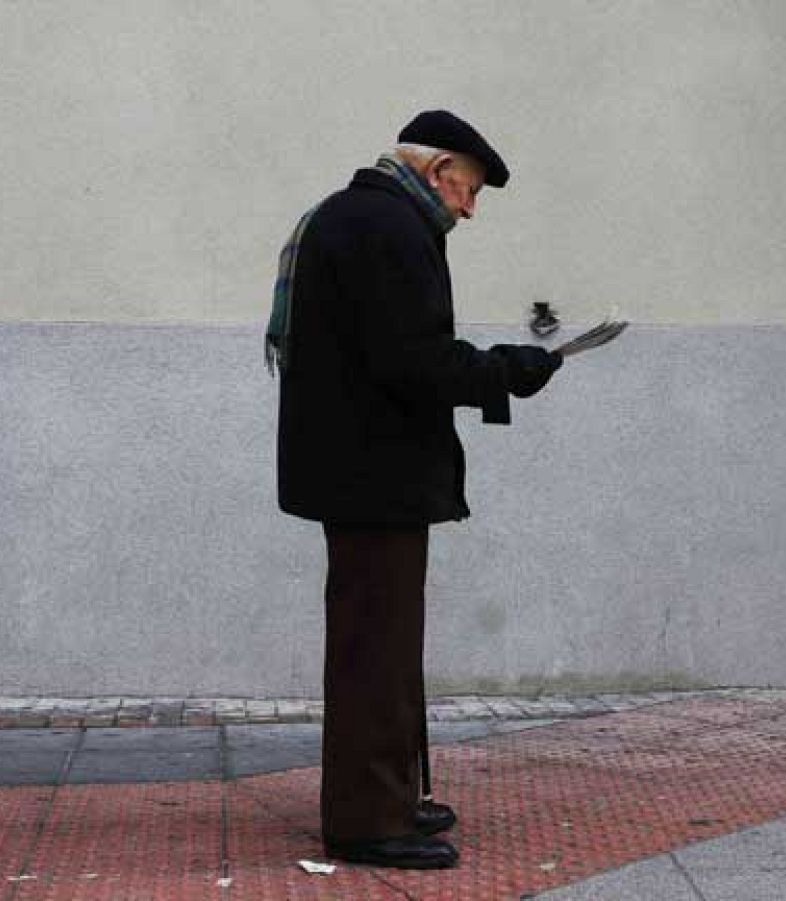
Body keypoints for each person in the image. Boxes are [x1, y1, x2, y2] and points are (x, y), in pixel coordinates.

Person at [266, 110, 561, 870]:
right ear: (435, 171)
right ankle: (367, 819)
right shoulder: (389, 230)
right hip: (375, 474)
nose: (470, 208)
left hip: (362, 470)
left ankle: (391, 797)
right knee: (377, 647)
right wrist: (507, 370)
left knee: (385, 643)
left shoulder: (353, 215)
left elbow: (392, 354)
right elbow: (412, 361)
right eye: (468, 188)